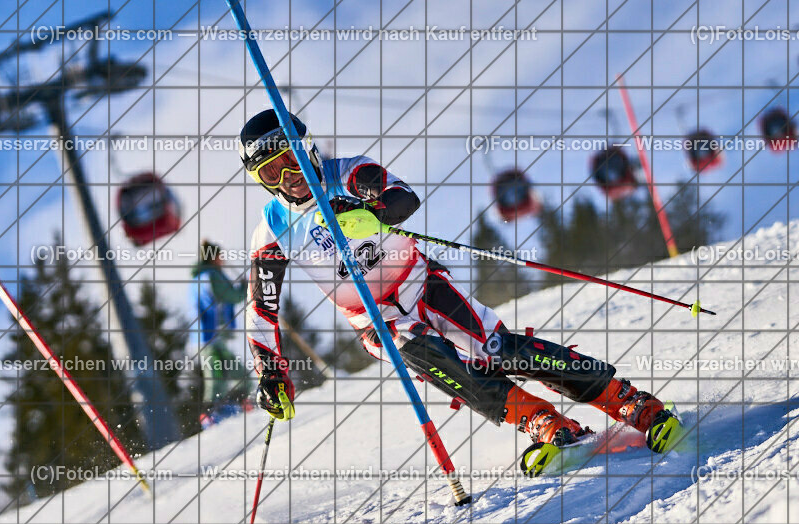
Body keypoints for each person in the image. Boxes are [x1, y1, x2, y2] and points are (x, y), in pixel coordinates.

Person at [238, 109, 679, 474]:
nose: (288, 177)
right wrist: (271, 373)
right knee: (433, 359)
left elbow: (402, 196)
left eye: (292, 160)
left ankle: (627, 400)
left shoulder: (347, 173)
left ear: (307, 148)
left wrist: (370, 212)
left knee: (496, 348)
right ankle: (543, 421)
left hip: (420, 282)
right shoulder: (273, 229)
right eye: (271, 171)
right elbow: (262, 309)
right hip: (377, 320)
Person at [191, 240, 250, 426]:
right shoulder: (212, 276)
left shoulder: (200, 277)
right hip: (211, 335)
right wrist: (245, 287)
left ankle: (237, 404)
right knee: (217, 376)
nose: (222, 259)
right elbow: (230, 296)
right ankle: (211, 414)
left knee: (229, 373)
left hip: (207, 335)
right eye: (219, 256)